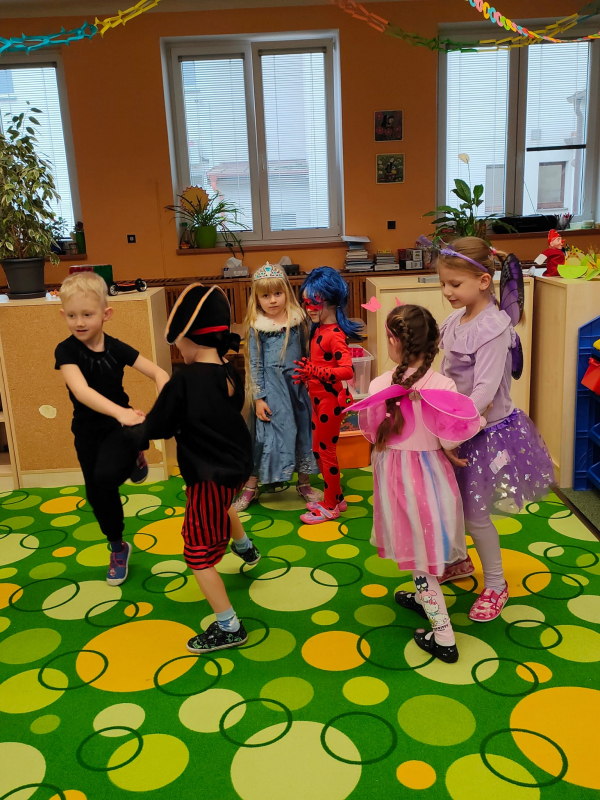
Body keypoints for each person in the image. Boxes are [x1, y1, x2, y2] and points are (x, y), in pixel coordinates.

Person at [130, 283, 259, 654]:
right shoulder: (229, 370)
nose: (178, 350)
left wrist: (136, 426)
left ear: (189, 338)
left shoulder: (184, 380)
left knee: (197, 553)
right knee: (223, 504)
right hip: (237, 467)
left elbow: (159, 426)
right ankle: (245, 547)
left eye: (178, 343)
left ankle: (229, 626)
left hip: (207, 474)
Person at [352, 304, 481, 663]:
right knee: (424, 549)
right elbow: (449, 438)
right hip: (433, 479)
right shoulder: (444, 384)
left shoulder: (379, 384)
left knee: (420, 562)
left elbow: (372, 433)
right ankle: (425, 597)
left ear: (394, 341)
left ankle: (444, 636)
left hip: (400, 482)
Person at [436, 237, 554, 621]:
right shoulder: (456, 321)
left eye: (455, 284)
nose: (447, 291)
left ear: (484, 281)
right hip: (457, 426)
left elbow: (484, 393)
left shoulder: (492, 327)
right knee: (451, 503)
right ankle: (459, 560)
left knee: (475, 514)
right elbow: (448, 377)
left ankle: (496, 584)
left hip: (483, 434)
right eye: (443, 283)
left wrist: (451, 433)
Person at [55, 272, 169, 586]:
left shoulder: (117, 348)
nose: (79, 322)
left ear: (106, 314)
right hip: (87, 431)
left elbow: (159, 373)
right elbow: (81, 391)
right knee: (97, 493)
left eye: (87, 314)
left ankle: (134, 454)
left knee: (107, 476)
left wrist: (163, 406)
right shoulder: (66, 351)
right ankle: (118, 547)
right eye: (72, 315)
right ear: (63, 315)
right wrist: (122, 412)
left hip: (120, 429)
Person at [233, 263, 322, 511]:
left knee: (303, 433)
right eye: (265, 295)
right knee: (264, 438)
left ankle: (303, 483)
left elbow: (307, 352)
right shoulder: (257, 325)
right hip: (271, 392)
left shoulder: (299, 320)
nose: (272, 300)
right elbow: (255, 363)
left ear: (286, 292)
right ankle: (251, 486)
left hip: (297, 389)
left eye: (277, 293)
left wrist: (311, 381)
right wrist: (259, 397)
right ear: (257, 298)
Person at [293, 267, 361, 524]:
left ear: (331, 300)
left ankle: (331, 505)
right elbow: (324, 367)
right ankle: (337, 497)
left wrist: (315, 371)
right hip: (318, 400)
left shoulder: (334, 335)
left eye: (314, 302)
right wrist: (308, 375)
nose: (309, 308)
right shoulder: (318, 330)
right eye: (306, 302)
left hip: (330, 402)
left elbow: (347, 370)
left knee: (326, 452)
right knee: (319, 451)